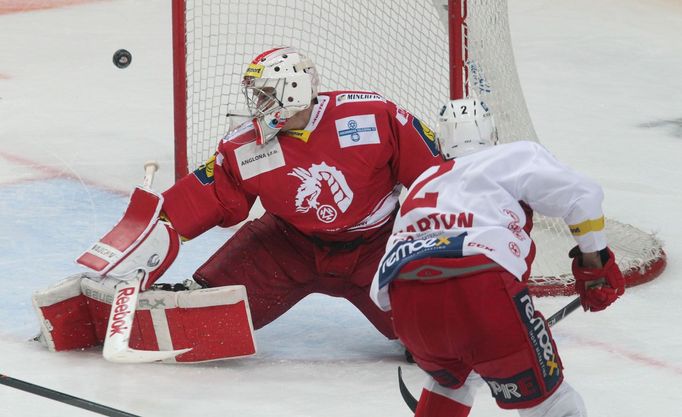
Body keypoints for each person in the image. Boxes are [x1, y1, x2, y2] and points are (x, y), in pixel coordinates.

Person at [32, 47, 444, 357]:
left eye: (265, 94)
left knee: (436, 340)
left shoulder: (374, 115)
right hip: (287, 247)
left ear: (294, 91)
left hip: (378, 245)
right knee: (200, 312)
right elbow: (207, 197)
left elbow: (438, 179)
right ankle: (97, 322)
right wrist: (155, 236)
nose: (257, 105)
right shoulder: (246, 146)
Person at [370, 98, 625, 416]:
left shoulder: (423, 181)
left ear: (441, 142)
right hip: (482, 291)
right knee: (554, 405)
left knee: (453, 380)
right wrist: (596, 266)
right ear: (491, 133)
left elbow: (385, 284)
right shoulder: (513, 155)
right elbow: (582, 197)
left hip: (409, 307)